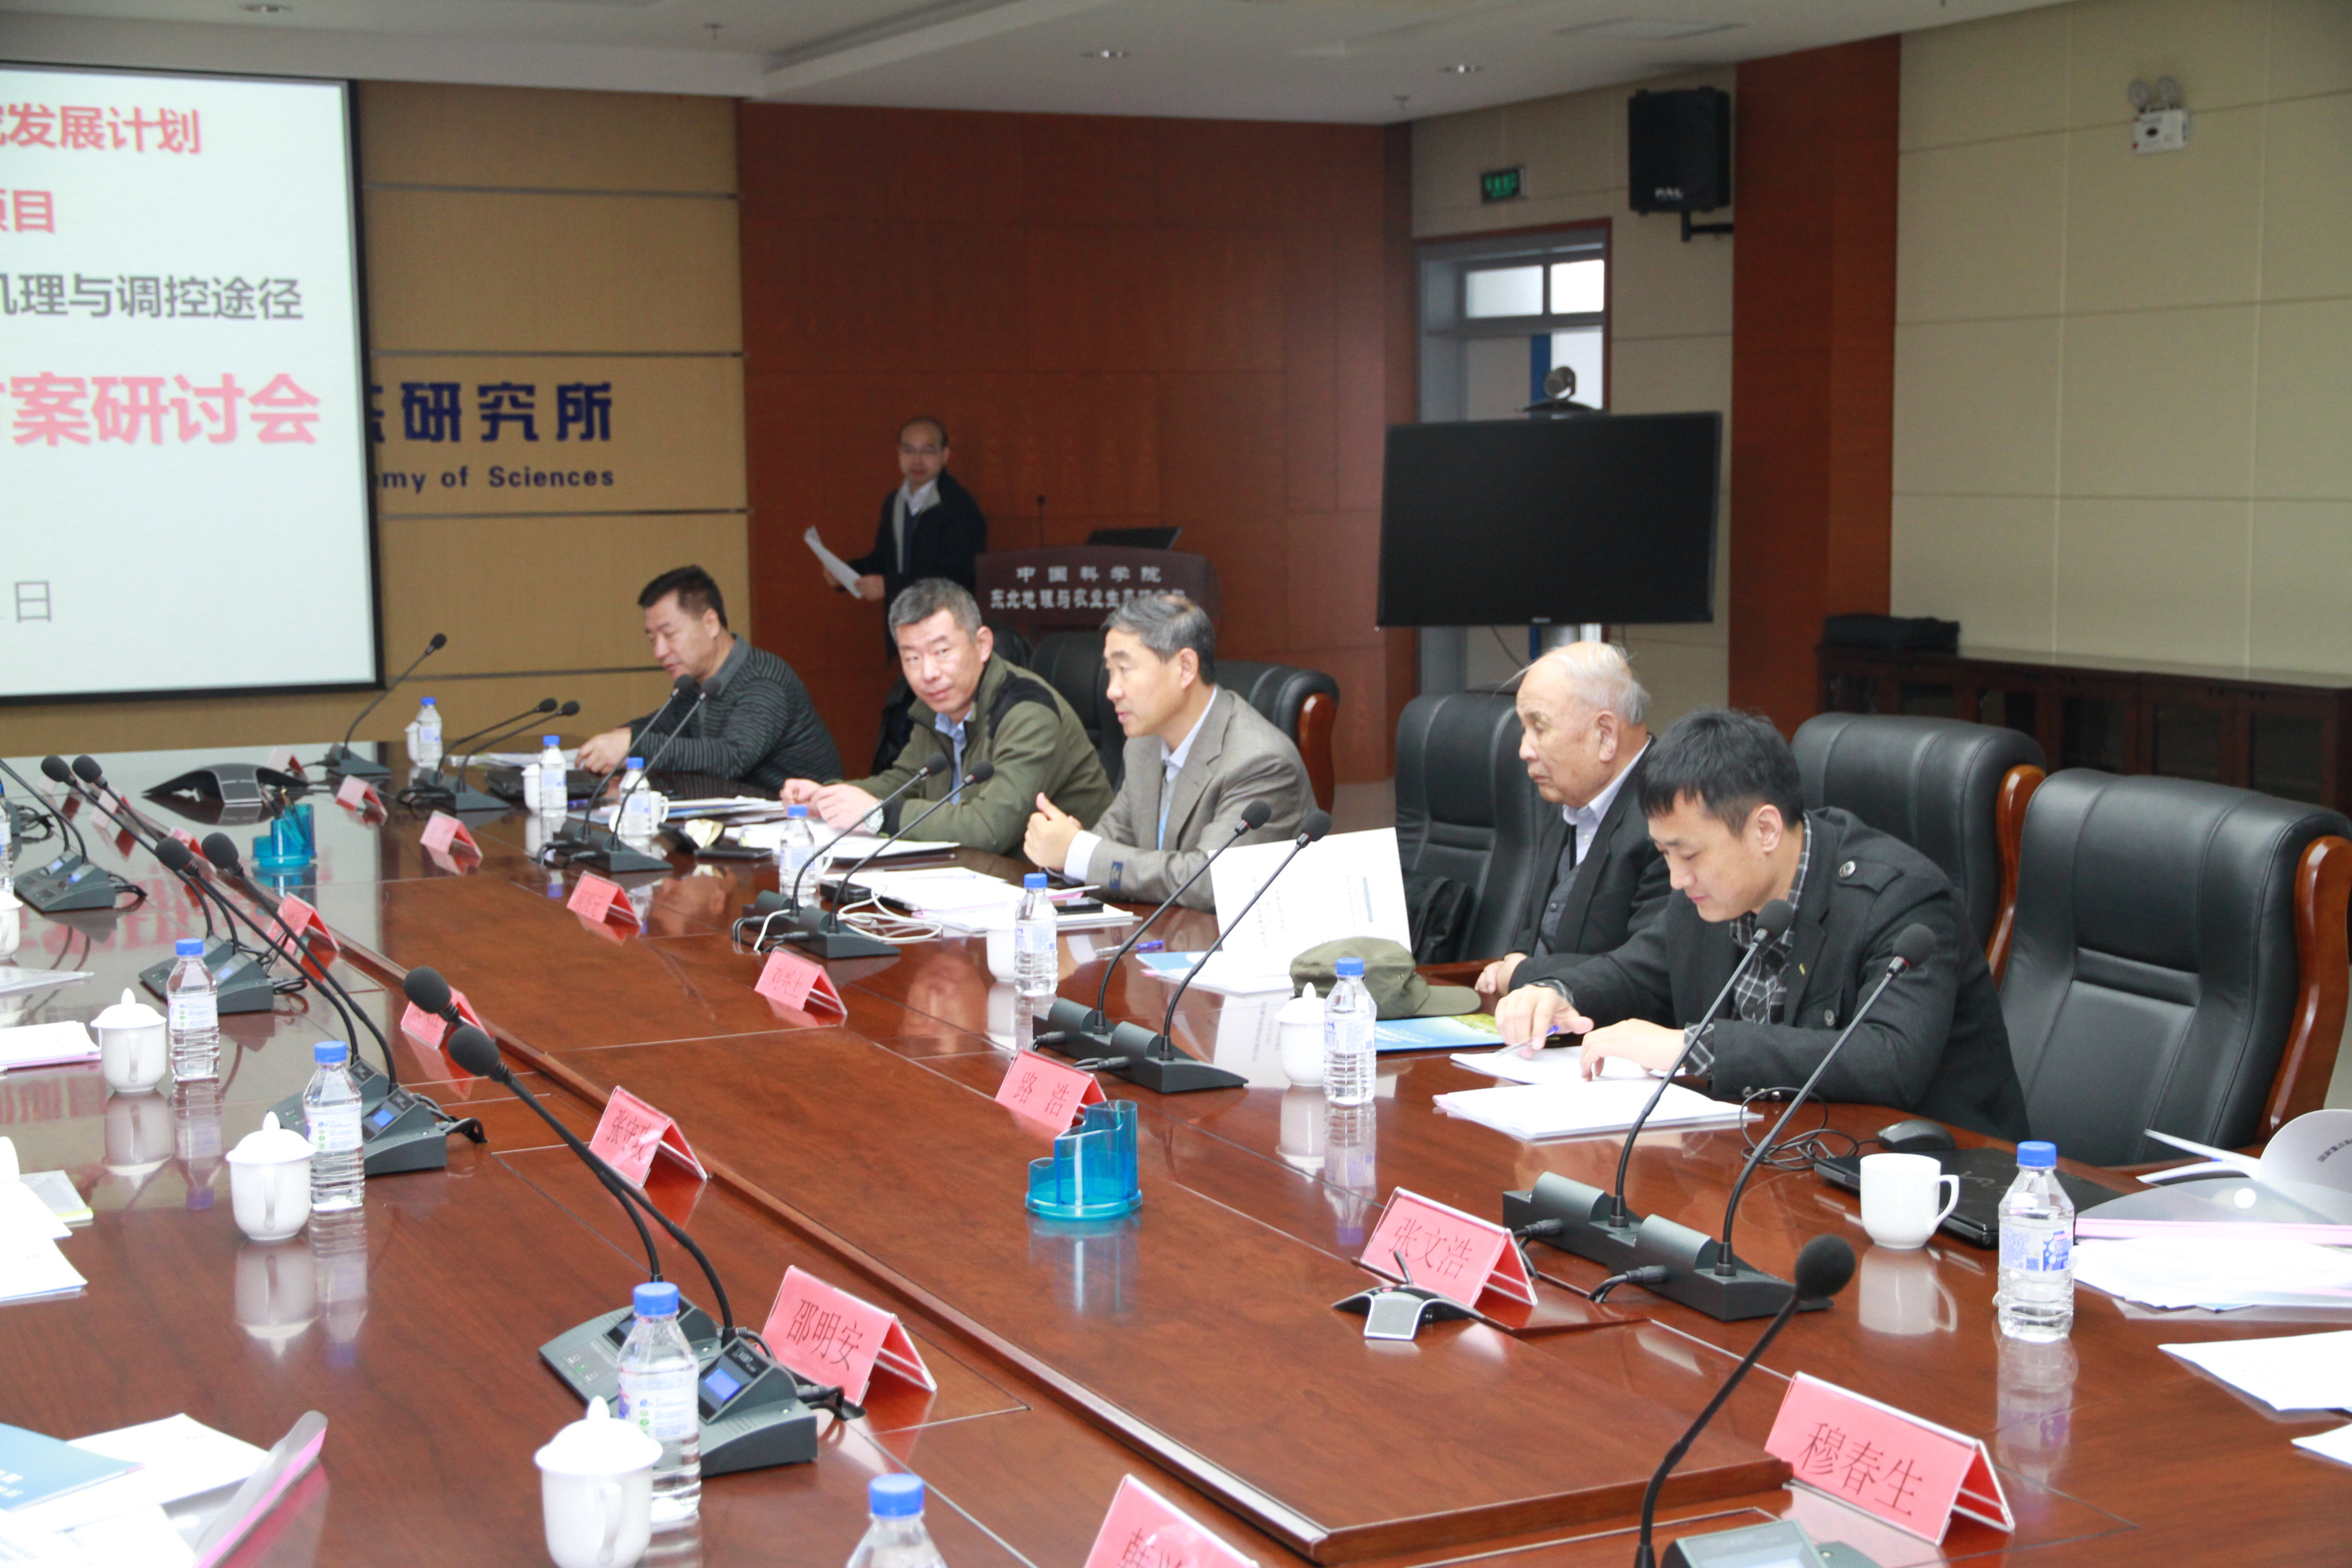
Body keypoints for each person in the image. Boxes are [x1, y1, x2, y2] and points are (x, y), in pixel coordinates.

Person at [1494, 707, 2029, 1140]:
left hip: (1933, 1180)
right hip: (1777, 1151)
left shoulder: (1901, 898)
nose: (1677, 878)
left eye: (1689, 855)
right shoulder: (1709, 892)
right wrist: (1558, 992)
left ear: (1766, 830)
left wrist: (1693, 1047)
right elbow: (1636, 973)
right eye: (1664, 854)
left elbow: (1888, 1060)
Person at [1022, 594, 1308, 908]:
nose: (1111, 690)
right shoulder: (1144, 744)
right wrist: (1063, 851)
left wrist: (1079, 853)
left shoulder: (1260, 761)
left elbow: (1212, 881)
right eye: (1110, 671)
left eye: (1124, 669)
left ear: (1185, 668)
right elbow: (1111, 841)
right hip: (1165, 931)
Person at [783, 579, 1111, 851]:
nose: (928, 674)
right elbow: (905, 783)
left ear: (983, 645)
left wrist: (878, 815)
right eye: (912, 658)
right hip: (969, 876)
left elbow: (990, 829)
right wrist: (828, 797)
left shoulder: (1028, 713)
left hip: (1055, 889)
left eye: (942, 652)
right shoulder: (938, 706)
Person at [1473, 642, 1669, 1004]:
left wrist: (1522, 973)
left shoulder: (1668, 816)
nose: (1524, 750)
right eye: (1524, 729)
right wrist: (1511, 964)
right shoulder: (1568, 796)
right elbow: (1536, 931)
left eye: (1539, 728)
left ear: (1605, 735)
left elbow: (1651, 969)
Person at [578, 566, 840, 791]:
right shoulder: (697, 681)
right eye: (652, 640)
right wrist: (620, 738)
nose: (659, 652)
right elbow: (663, 726)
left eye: (669, 635)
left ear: (711, 623)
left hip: (799, 820)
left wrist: (634, 746)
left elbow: (732, 758)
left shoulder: (763, 680)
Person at [845, 417, 987, 609]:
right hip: (901, 617)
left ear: (945, 455)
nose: (917, 460)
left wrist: (890, 586)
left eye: (927, 451)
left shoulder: (960, 506)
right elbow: (884, 560)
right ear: (899, 453)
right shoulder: (894, 502)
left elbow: (956, 576)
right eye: (909, 450)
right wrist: (845, 573)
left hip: (945, 618)